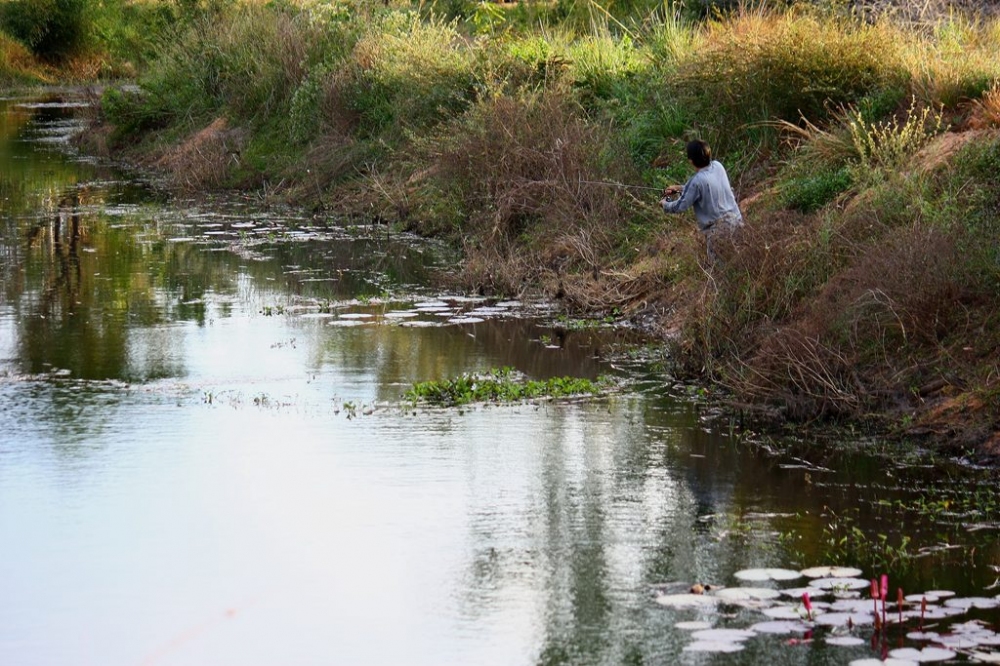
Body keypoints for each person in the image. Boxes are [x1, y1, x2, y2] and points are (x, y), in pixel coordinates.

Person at [660, 140, 743, 263]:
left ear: (691, 161)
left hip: (719, 233)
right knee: (741, 265)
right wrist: (679, 188)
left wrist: (665, 204)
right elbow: (706, 187)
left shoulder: (696, 182)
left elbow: (680, 206)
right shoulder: (717, 166)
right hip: (737, 222)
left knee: (721, 274)